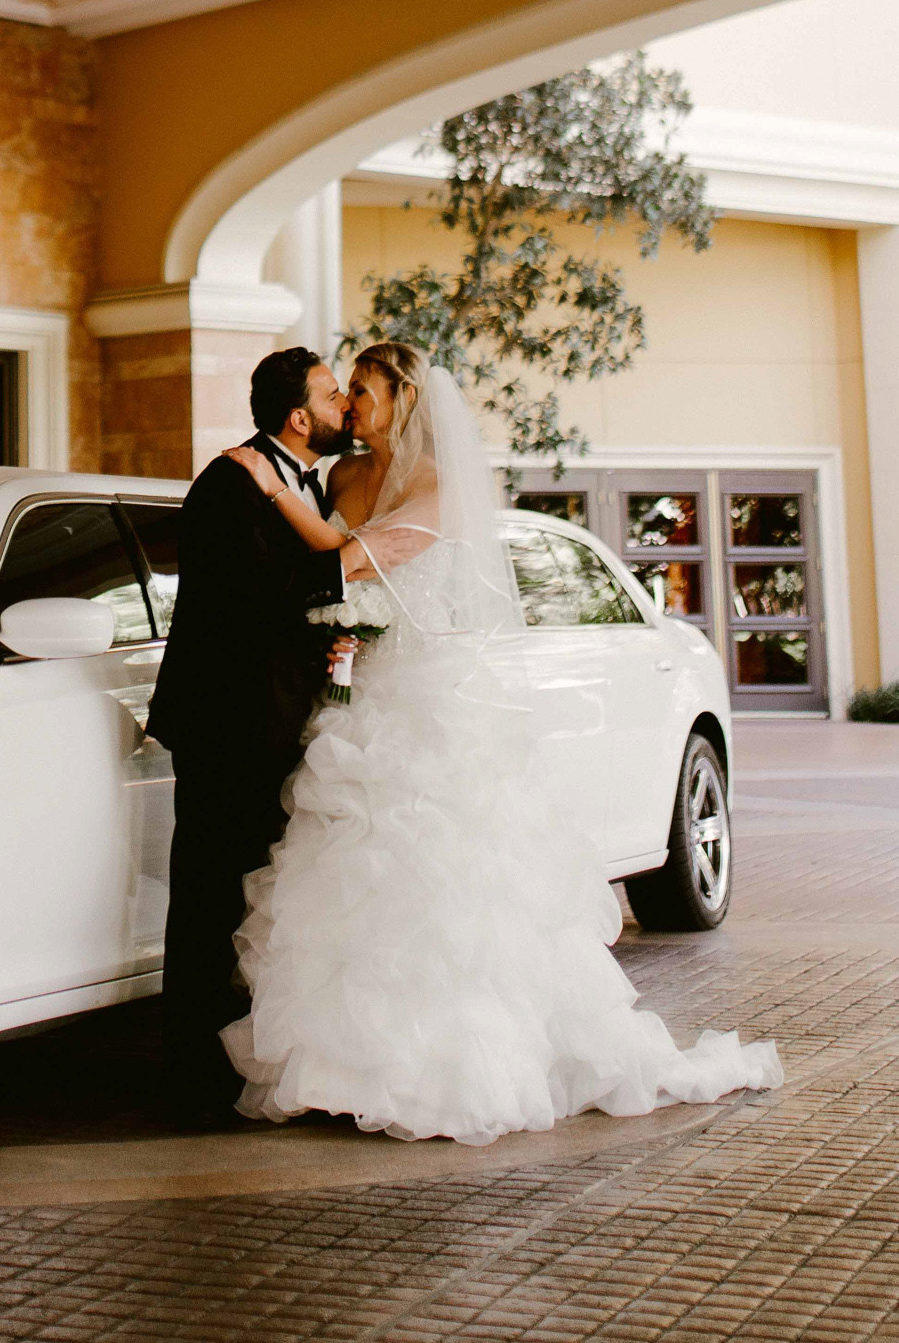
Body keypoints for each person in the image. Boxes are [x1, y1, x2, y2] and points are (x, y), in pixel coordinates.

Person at [221, 339, 783, 1144]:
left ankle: (452, 1068)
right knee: (351, 882)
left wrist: (271, 488)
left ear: (404, 399)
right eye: (343, 392)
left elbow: (350, 560)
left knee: (439, 883)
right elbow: (325, 583)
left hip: (429, 704)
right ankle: (343, 1069)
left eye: (364, 392)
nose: (350, 405)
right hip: (358, 701)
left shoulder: (444, 489)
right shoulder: (343, 477)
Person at [146, 343, 365, 1124]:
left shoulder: (305, 479)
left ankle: (248, 1059)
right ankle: (193, 1076)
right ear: (298, 416)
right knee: (211, 897)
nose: (346, 407)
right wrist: (346, 592)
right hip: (227, 722)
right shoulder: (231, 482)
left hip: (276, 718)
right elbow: (246, 601)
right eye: (334, 396)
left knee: (259, 895)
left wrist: (334, 641)